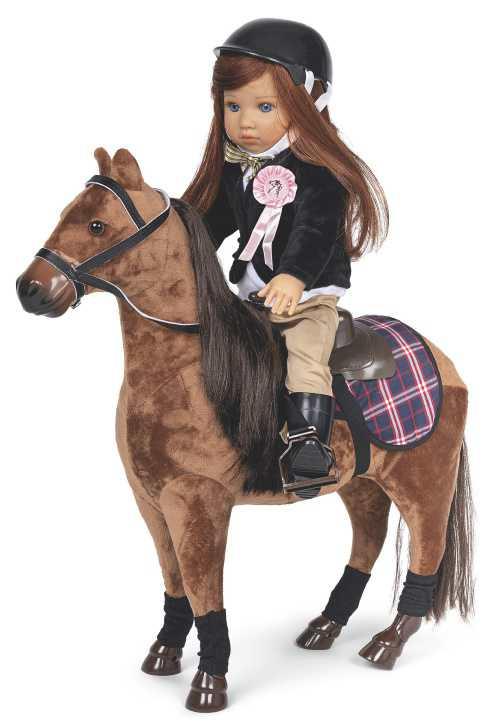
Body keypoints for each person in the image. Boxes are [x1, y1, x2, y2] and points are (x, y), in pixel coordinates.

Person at [182, 18, 388, 495]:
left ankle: (308, 447)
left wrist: (294, 277)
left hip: (307, 298)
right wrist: (184, 243)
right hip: (252, 298)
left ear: (309, 101)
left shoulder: (319, 172)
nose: (244, 122)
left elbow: (316, 232)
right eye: (233, 106)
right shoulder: (237, 168)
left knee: (304, 355)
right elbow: (214, 222)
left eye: (264, 106)